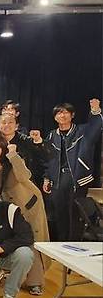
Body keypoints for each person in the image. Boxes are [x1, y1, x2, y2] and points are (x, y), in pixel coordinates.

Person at [0, 133, 50, 295]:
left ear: (3, 147)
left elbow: (25, 176)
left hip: (28, 206)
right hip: (6, 210)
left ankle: (35, 283)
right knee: (11, 241)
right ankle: (9, 273)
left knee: (31, 240)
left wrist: (13, 154)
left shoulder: (12, 160)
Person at [43, 98, 102, 241]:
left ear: (72, 115)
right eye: (59, 113)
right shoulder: (52, 135)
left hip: (78, 177)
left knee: (75, 214)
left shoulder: (82, 131)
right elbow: (47, 159)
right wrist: (46, 178)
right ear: (55, 116)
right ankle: (62, 246)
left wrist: (95, 111)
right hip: (57, 179)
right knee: (59, 214)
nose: (62, 115)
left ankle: (74, 245)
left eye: (65, 113)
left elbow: (95, 127)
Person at [0, 113, 50, 189]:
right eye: (4, 122)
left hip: (24, 184)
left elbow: (43, 156)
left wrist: (38, 141)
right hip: (0, 182)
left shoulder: (26, 141)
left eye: (10, 122)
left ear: (16, 126)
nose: (7, 125)